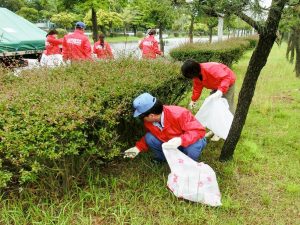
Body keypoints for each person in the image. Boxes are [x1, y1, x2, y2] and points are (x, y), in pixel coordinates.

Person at [123, 93, 207, 162]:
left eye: (141, 116)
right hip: (171, 143)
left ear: (151, 115)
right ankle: (163, 159)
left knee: (194, 145)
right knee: (149, 137)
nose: (141, 119)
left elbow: (198, 131)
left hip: (188, 142)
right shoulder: (149, 121)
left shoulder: (179, 114)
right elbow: (153, 134)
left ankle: (188, 164)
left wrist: (181, 140)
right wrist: (138, 148)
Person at [181, 59, 236, 141]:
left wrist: (220, 91)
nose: (192, 78)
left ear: (194, 71)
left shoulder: (211, 68)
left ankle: (224, 130)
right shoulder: (196, 76)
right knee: (212, 108)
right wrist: (193, 100)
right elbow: (197, 88)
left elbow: (226, 78)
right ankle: (214, 129)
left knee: (225, 108)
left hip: (227, 83)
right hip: (216, 86)